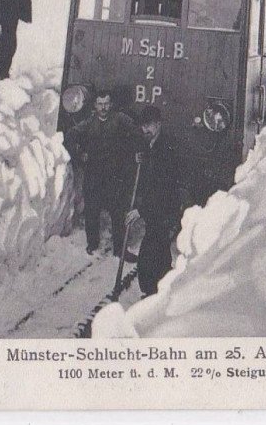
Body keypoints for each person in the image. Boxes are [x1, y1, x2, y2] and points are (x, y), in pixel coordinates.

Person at [66, 91, 141, 257]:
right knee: (92, 210)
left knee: (118, 211)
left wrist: (135, 151)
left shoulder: (120, 119)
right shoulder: (89, 122)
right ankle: (92, 244)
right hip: (94, 174)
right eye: (100, 104)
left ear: (111, 104)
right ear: (95, 106)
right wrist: (79, 155)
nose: (103, 108)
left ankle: (120, 250)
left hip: (115, 175)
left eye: (106, 104)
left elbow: (137, 132)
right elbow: (71, 135)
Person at [125, 105, 189, 295]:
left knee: (149, 258)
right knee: (158, 254)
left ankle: (154, 293)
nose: (146, 130)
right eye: (143, 126)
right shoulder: (152, 144)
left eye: (150, 126)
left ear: (159, 124)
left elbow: (161, 188)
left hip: (165, 210)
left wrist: (140, 211)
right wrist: (141, 159)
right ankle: (161, 293)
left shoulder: (166, 150)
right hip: (158, 211)